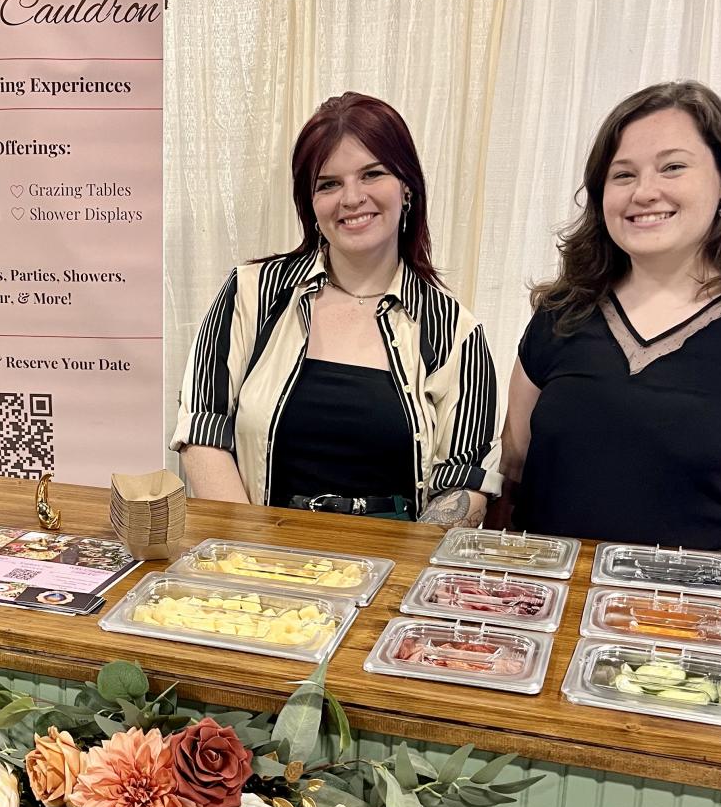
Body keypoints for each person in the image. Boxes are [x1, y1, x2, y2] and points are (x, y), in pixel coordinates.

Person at [497, 81, 721, 560]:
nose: (645, 192)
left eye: (673, 167)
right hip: (555, 593)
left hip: (702, 601)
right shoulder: (561, 311)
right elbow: (515, 465)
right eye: (623, 175)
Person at [171, 92, 501, 526]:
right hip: (257, 555)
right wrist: (251, 550)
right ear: (309, 202)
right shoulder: (251, 294)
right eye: (328, 184)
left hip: (395, 560)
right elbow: (202, 430)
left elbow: (464, 483)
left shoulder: (454, 330)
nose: (351, 198)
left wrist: (406, 561)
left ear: (407, 187)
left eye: (372, 174)